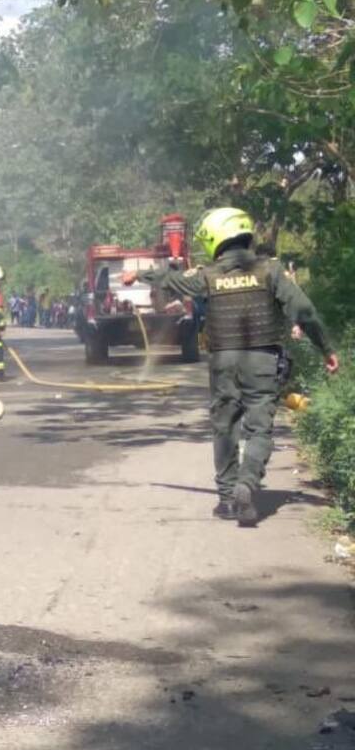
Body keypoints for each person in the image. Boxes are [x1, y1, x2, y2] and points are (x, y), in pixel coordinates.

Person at [123, 207, 339, 526]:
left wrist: (139, 275)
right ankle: (247, 485)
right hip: (263, 361)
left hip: (224, 362)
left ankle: (226, 500)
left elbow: (173, 281)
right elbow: (304, 311)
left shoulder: (208, 275)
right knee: (259, 427)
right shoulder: (270, 271)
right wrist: (327, 348)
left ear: (215, 239)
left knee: (225, 425)